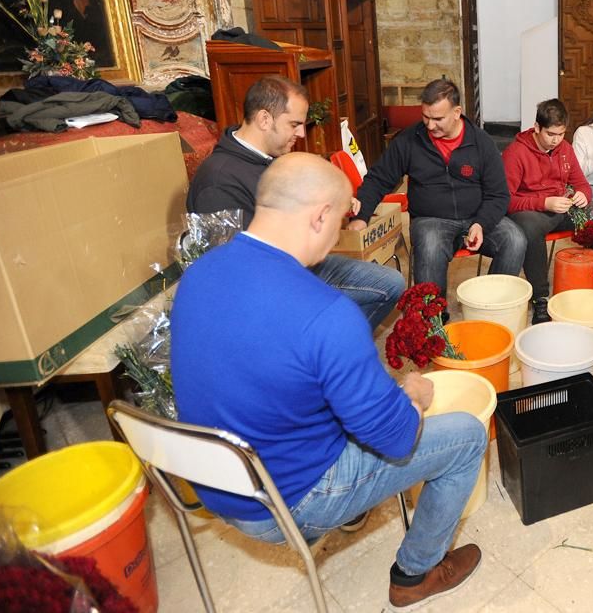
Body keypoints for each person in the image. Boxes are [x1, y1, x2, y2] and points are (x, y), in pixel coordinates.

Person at [172, 153, 485, 610]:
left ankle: (356, 512)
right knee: (467, 437)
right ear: (319, 215)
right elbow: (397, 440)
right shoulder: (327, 314)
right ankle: (415, 574)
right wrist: (412, 397)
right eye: (339, 220)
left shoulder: (199, 273)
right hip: (286, 501)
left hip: (213, 480)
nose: (338, 233)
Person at [186, 75, 405, 328]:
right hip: (276, 282)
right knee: (382, 290)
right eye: (294, 124)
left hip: (295, 265)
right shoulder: (220, 180)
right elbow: (242, 272)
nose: (301, 133)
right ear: (264, 119)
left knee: (391, 282)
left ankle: (332, 349)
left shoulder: (263, 158)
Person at [353, 77, 526, 298]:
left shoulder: (481, 142)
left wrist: (482, 223)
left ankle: (491, 305)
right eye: (425, 117)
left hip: (477, 217)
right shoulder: (409, 140)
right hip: (431, 219)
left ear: (457, 112)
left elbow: (498, 195)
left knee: (515, 239)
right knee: (430, 245)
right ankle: (433, 318)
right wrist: (361, 216)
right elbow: (377, 180)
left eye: (437, 119)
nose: (430, 125)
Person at [503, 99, 593, 324]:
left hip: (564, 210)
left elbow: (581, 184)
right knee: (529, 228)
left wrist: (582, 195)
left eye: (561, 134)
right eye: (551, 134)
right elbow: (506, 201)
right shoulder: (515, 153)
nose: (556, 140)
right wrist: (544, 203)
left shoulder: (564, 148)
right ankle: (540, 298)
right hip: (534, 213)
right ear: (537, 127)